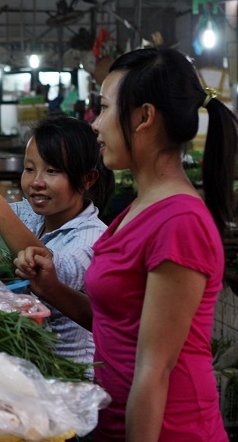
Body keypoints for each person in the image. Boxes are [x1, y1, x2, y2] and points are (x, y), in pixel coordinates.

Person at [15, 48, 236, 441]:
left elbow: (155, 369)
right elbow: (116, 325)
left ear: (144, 117)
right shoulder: (137, 209)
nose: (96, 125)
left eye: (103, 109)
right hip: (112, 420)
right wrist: (51, 289)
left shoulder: (179, 222)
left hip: (169, 430)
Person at [0, 114, 114, 366]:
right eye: (29, 169)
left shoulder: (92, 237)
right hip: (22, 363)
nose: (36, 183)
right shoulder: (29, 214)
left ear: (87, 179)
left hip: (65, 374)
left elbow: (54, 274)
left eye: (52, 171)